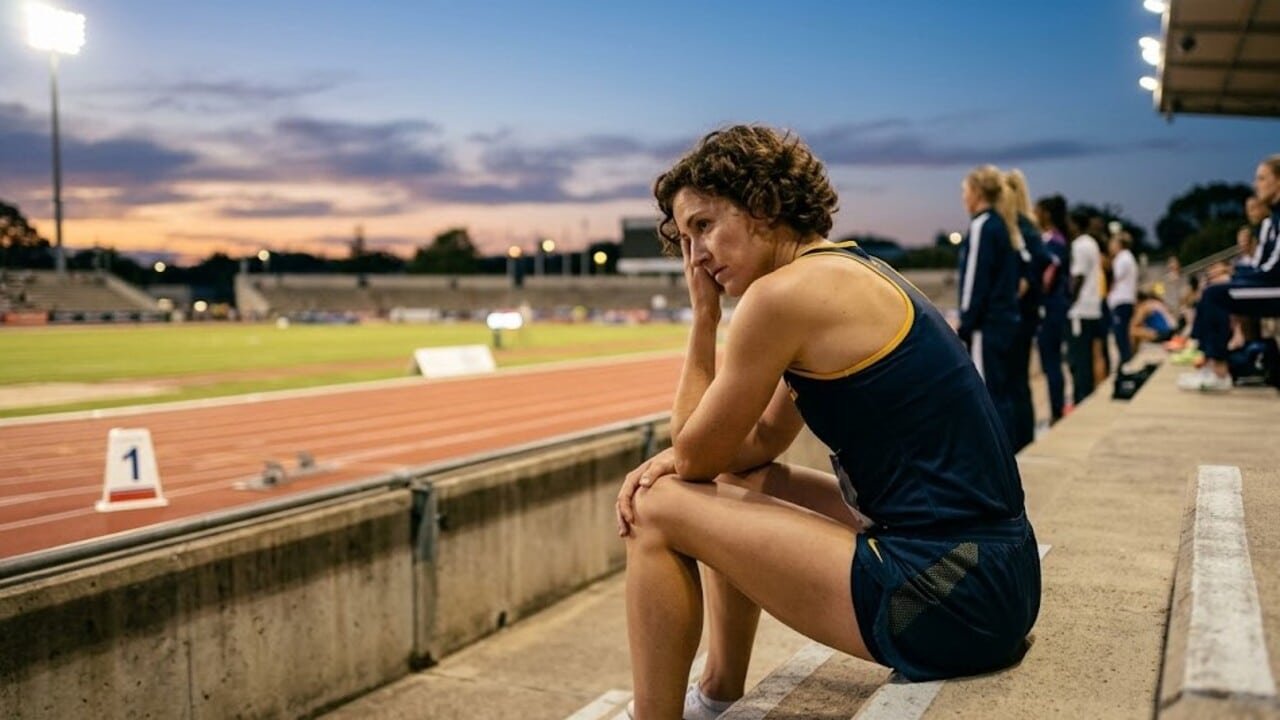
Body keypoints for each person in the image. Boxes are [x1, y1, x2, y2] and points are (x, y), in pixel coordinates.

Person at [614, 126, 1040, 719]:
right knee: (735, 483)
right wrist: (686, 457)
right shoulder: (850, 270)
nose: (697, 257)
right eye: (686, 240)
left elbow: (692, 457)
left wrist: (704, 319)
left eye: (704, 226)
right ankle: (717, 694)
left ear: (762, 204)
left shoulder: (781, 297)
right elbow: (759, 442)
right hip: (998, 578)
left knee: (656, 505)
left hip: (946, 599)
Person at [1179, 154, 1280, 392]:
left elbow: (1273, 269)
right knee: (1212, 288)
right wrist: (1231, 272)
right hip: (1271, 284)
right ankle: (1208, 362)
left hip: (1276, 287)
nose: (1256, 184)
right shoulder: (1273, 219)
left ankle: (1219, 372)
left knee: (1216, 295)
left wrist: (1233, 275)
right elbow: (1261, 265)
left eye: (1262, 178)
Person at [956, 165, 1022, 444]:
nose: (963, 198)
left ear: (977, 192)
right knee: (1002, 393)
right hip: (1005, 321)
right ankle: (1009, 449)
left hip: (988, 325)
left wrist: (965, 322)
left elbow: (975, 279)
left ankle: (998, 453)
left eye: (965, 191)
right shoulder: (1001, 224)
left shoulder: (982, 225)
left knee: (988, 395)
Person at [1004, 170, 1052, 449]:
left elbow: (1041, 261)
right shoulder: (1029, 226)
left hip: (1018, 315)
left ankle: (1018, 439)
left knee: (1013, 382)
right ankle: (1025, 436)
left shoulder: (1018, 227)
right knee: (1020, 381)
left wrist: (1022, 284)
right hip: (1029, 313)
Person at [1035, 195, 1071, 422]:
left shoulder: (1053, 241)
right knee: (1053, 363)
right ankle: (1057, 407)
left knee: (1051, 363)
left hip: (1051, 308)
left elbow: (1047, 277)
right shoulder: (1058, 239)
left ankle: (1057, 411)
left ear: (1046, 214)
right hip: (1055, 307)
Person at [1066, 209, 1104, 404]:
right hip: (1093, 307)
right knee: (1089, 355)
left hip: (1080, 310)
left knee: (1079, 359)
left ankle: (1082, 397)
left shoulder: (1080, 245)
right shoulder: (1092, 243)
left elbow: (1078, 276)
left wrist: (1069, 299)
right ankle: (1088, 394)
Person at [1107, 232, 1138, 367]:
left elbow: (1114, 278)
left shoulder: (1122, 258)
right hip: (1126, 300)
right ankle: (1126, 362)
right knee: (1123, 334)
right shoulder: (1128, 257)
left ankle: (1125, 363)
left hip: (1121, 301)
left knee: (1121, 335)